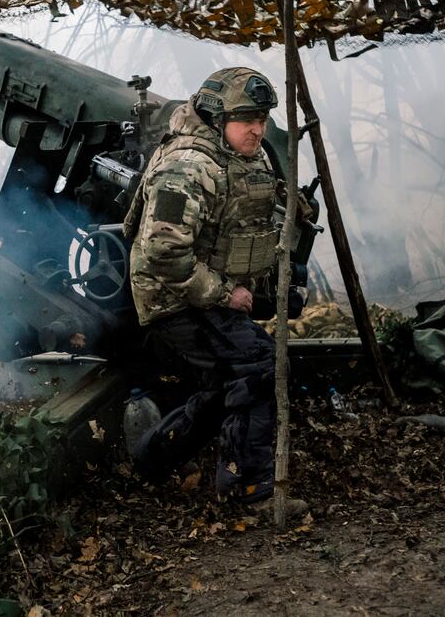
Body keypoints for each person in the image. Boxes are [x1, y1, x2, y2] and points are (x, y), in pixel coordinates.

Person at [122, 67, 308, 512]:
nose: (257, 129)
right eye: (247, 120)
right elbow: (163, 254)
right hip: (174, 297)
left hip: (207, 288)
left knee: (225, 384)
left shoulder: (244, 154)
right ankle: (249, 490)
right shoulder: (188, 167)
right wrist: (227, 295)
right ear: (216, 118)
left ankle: (151, 459)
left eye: (261, 119)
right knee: (260, 365)